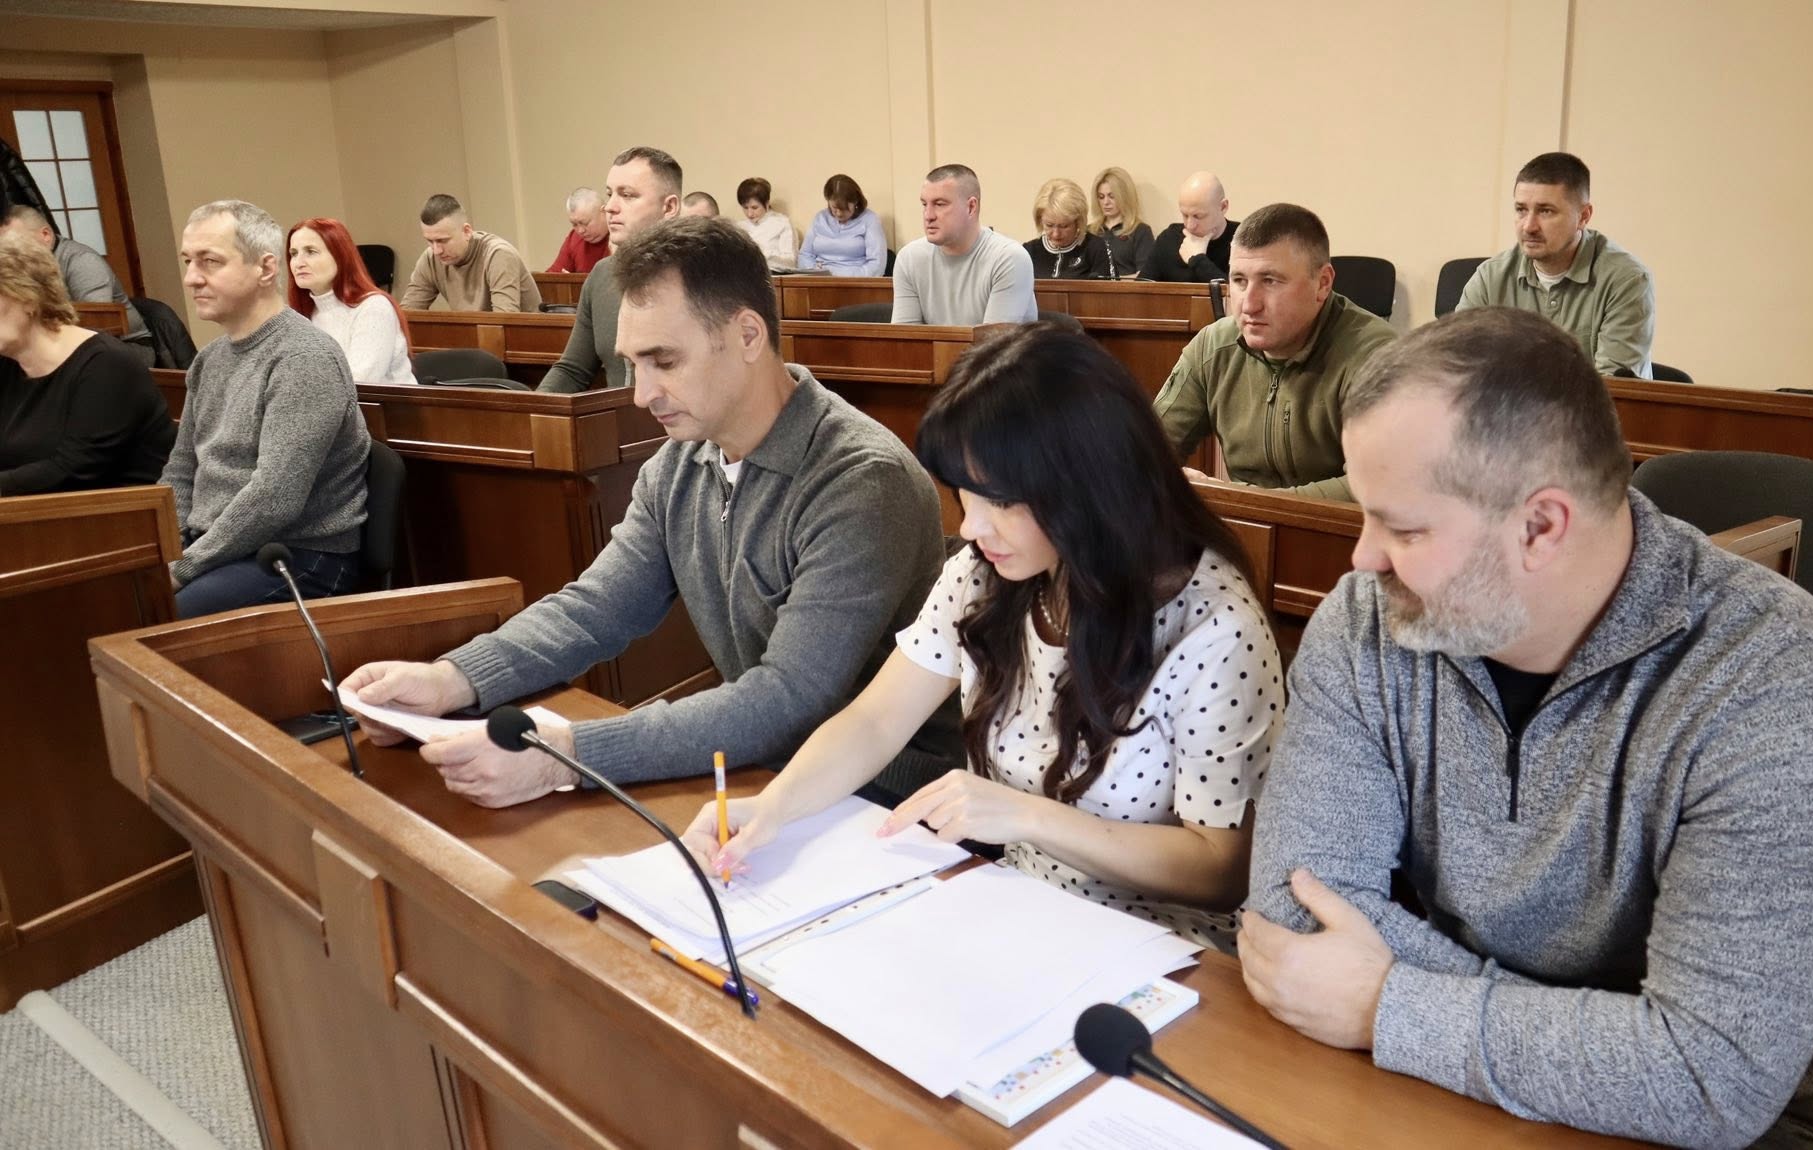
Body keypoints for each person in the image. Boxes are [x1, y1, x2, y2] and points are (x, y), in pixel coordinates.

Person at [1239, 307, 1813, 1149]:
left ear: (1541, 526)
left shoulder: (1783, 684)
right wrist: (1611, 1041)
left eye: (1403, 528)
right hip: (1434, 1077)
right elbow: (1294, 918)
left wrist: (1386, 1001)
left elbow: (1709, 1080)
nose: (1362, 558)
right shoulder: (1372, 621)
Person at [684, 323, 1280, 949]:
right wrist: (772, 808)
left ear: (1087, 486)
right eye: (967, 497)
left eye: (999, 502)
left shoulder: (1215, 629)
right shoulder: (987, 575)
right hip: (1013, 911)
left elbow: (1221, 869)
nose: (971, 528)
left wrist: (1027, 816)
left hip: (1158, 948)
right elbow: (876, 721)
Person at [340, 217, 958, 808]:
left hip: (889, 798)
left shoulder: (860, 480)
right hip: (769, 771)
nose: (641, 394)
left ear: (749, 336)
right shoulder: (680, 465)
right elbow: (597, 607)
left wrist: (568, 755)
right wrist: (451, 679)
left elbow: (789, 697)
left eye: (664, 361)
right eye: (633, 363)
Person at [164, 200, 371, 618]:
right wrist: (171, 545)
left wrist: (182, 568)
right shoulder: (209, 359)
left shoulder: (304, 358)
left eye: (210, 261)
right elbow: (182, 469)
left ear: (265, 268)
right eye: (188, 261)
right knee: (107, 598)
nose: (191, 278)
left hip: (297, 556)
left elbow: (274, 498)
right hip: (220, 545)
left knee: (156, 614)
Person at [1154, 204, 1394, 500]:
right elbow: (1144, 452)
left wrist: (1236, 500)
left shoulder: (1377, 357)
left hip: (1341, 530)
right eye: (1239, 281)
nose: (1249, 304)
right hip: (1241, 522)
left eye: (1270, 281)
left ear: (1322, 284)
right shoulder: (1212, 348)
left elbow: (1377, 483)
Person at [0, 232, 172, 495]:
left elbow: (73, 470)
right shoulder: (8, 363)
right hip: (38, 511)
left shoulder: (106, 364)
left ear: (28, 298)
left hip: (121, 513)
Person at [1457, 152, 1654, 379]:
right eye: (1521, 210)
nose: (1529, 226)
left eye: (1545, 211)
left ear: (1583, 216)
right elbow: (1457, 365)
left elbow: (1612, 389)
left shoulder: (1626, 280)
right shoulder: (1490, 277)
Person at [538, 145, 682, 394]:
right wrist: (535, 411)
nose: (610, 207)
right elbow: (572, 369)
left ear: (669, 207)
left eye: (627, 195)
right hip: (620, 417)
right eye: (610, 194)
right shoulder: (602, 275)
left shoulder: (703, 275)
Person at [891, 164, 1036, 326]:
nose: (928, 215)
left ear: (971, 207)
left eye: (940, 204)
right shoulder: (909, 258)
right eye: (925, 204)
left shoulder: (1009, 258)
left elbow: (995, 340)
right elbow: (905, 337)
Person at [1, 204, 152, 359]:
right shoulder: (17, 267)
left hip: (125, 346)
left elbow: (96, 324)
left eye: (16, 243)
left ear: (45, 235)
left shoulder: (83, 261)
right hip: (62, 342)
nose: (10, 251)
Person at [285, 217, 416, 385]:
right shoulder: (299, 316)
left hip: (381, 402)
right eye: (294, 254)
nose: (298, 263)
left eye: (311, 251)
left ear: (340, 257)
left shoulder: (374, 307)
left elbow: (360, 382)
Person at [398, 194, 542, 313]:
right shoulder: (430, 258)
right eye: (430, 241)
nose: (436, 250)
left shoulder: (499, 255)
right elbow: (407, 314)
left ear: (466, 231)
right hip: (472, 336)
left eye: (443, 240)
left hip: (524, 338)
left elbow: (504, 321)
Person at [1142, 172, 1235, 283]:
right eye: (1185, 215)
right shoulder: (1169, 239)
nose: (1190, 226)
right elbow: (1141, 289)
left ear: (1223, 207)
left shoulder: (1244, 241)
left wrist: (1198, 260)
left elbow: (1237, 292)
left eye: (1198, 216)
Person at [798, 174, 887, 277]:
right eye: (834, 208)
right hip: (820, 279)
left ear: (855, 201)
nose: (839, 213)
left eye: (844, 209)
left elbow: (877, 264)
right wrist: (813, 272)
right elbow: (804, 255)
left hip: (855, 281)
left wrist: (842, 276)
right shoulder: (820, 218)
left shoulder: (870, 219)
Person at [1022, 178, 1109, 280]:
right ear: (1040, 220)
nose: (1056, 234)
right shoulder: (1028, 252)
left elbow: (1109, 289)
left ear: (1078, 221)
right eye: (1049, 225)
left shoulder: (1096, 249)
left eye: (1064, 226)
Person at [1089, 166, 1154, 280]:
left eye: (1112, 196)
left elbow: (1144, 276)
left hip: (1126, 290)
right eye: (1101, 197)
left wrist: (1114, 281)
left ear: (1124, 196)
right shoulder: (1090, 231)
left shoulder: (1140, 231)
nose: (1106, 202)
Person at [735, 177, 796, 271]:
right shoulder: (739, 227)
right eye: (745, 208)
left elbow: (791, 262)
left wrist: (763, 253)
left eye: (754, 208)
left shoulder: (782, 223)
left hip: (772, 275)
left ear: (767, 204)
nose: (749, 214)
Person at [546, 187, 610, 273]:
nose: (580, 231)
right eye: (574, 224)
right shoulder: (574, 238)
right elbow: (553, 275)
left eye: (585, 223)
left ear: (603, 211)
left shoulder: (620, 236)